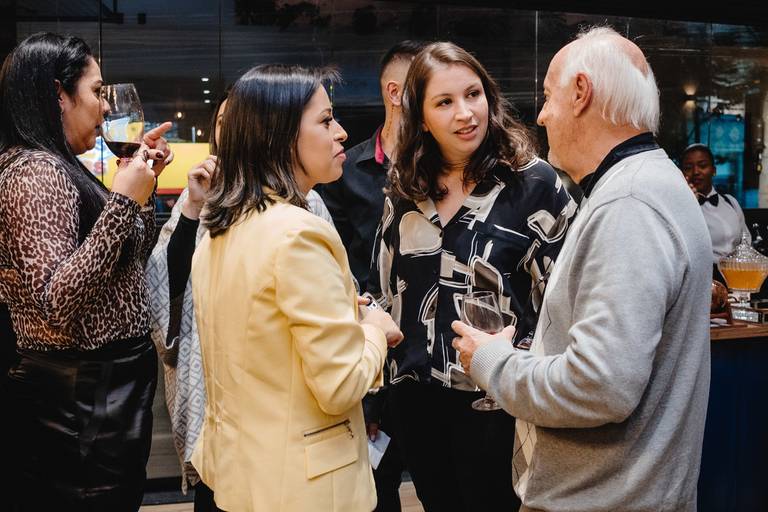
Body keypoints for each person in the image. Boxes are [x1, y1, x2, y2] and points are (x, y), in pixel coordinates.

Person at [452, 26, 711, 512]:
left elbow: (600, 387)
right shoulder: (646, 182)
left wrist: (492, 362)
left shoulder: (629, 203)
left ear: (581, 92)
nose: (542, 115)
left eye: (548, 96)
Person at [369, 42, 574, 512]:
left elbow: (565, 297)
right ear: (421, 118)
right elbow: (384, 287)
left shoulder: (533, 183)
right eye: (444, 102)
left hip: (501, 400)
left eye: (473, 94)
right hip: (416, 402)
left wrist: (526, 360)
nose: (465, 113)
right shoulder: (405, 187)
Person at [189, 64, 403, 512]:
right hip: (304, 490)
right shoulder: (299, 233)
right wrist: (375, 331)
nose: (341, 132)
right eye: (325, 121)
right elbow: (341, 385)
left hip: (242, 477)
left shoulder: (220, 228)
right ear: (280, 136)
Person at [0, 32, 173, 510]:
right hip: (79, 403)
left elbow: (127, 262)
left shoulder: (62, 165)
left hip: (102, 395)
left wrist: (139, 188)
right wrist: (121, 202)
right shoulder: (35, 171)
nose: (106, 107)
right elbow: (57, 303)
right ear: (58, 93)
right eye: (96, 91)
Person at [147, 89, 338, 509]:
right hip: (217, 391)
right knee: (219, 484)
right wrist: (193, 206)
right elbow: (168, 289)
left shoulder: (306, 201)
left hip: (280, 390)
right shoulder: (201, 197)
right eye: (223, 125)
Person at [321, 39, 425, 512]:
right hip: (371, 356)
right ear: (396, 92)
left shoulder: (446, 169)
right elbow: (339, 272)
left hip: (431, 359)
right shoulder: (347, 171)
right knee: (375, 495)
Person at [681, 142, 749, 266]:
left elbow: (746, 242)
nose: (696, 172)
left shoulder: (731, 202)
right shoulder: (680, 209)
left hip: (736, 272)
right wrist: (688, 204)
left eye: (702, 165)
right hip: (704, 274)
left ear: (714, 171)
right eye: (688, 167)